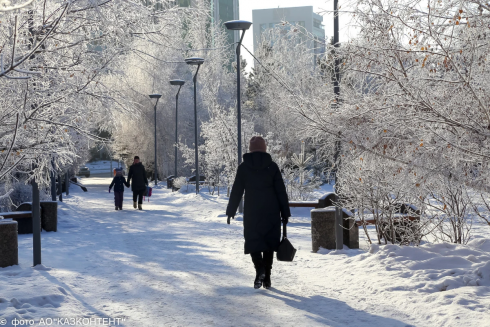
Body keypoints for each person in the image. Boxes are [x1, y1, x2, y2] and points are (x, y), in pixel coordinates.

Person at [226, 136, 291, 289]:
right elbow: (281, 191)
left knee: (253, 241)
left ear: (250, 149)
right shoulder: (272, 167)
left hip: (252, 211)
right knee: (269, 242)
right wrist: (285, 213)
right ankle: (267, 277)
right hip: (271, 211)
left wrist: (231, 211)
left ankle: (259, 269)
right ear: (264, 149)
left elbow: (237, 191)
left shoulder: (244, 167)